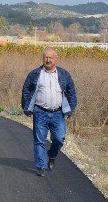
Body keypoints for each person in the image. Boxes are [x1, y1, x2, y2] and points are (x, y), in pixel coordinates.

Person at [21, 47, 78, 177]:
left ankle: (51, 155)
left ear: (55, 59)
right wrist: (27, 108)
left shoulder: (64, 74)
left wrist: (71, 109)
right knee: (39, 140)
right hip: (40, 112)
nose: (48, 60)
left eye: (50, 58)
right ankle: (41, 166)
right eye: (46, 57)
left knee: (59, 139)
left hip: (58, 113)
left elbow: (71, 92)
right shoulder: (35, 74)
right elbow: (26, 91)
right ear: (43, 59)